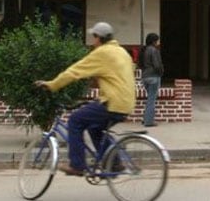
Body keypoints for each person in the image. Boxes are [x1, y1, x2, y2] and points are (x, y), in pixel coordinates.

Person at [34, 22, 135, 176]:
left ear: (99, 38)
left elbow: (75, 71)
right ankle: (114, 163)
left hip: (112, 102)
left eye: (93, 37)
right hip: (126, 103)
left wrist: (52, 84)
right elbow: (116, 78)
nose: (92, 41)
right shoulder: (122, 52)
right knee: (95, 128)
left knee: (75, 121)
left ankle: (77, 165)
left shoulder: (102, 53)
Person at [139, 32, 164, 127]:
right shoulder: (154, 50)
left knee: (149, 98)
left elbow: (140, 65)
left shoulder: (143, 50)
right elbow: (157, 65)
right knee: (152, 100)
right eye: (157, 40)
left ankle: (145, 118)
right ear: (154, 41)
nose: (158, 42)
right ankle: (149, 121)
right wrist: (161, 72)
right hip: (154, 76)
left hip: (145, 77)